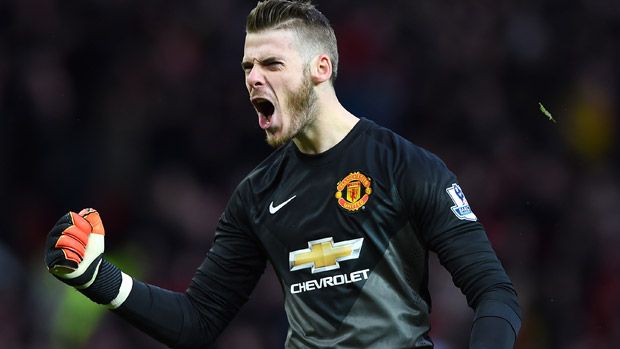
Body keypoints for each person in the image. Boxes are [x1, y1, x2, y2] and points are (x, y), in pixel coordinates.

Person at [44, 0, 521, 348]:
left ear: (321, 68)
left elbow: (494, 292)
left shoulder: (406, 167)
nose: (253, 77)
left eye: (272, 63)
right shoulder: (257, 195)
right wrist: (97, 279)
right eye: (248, 65)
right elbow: (197, 321)